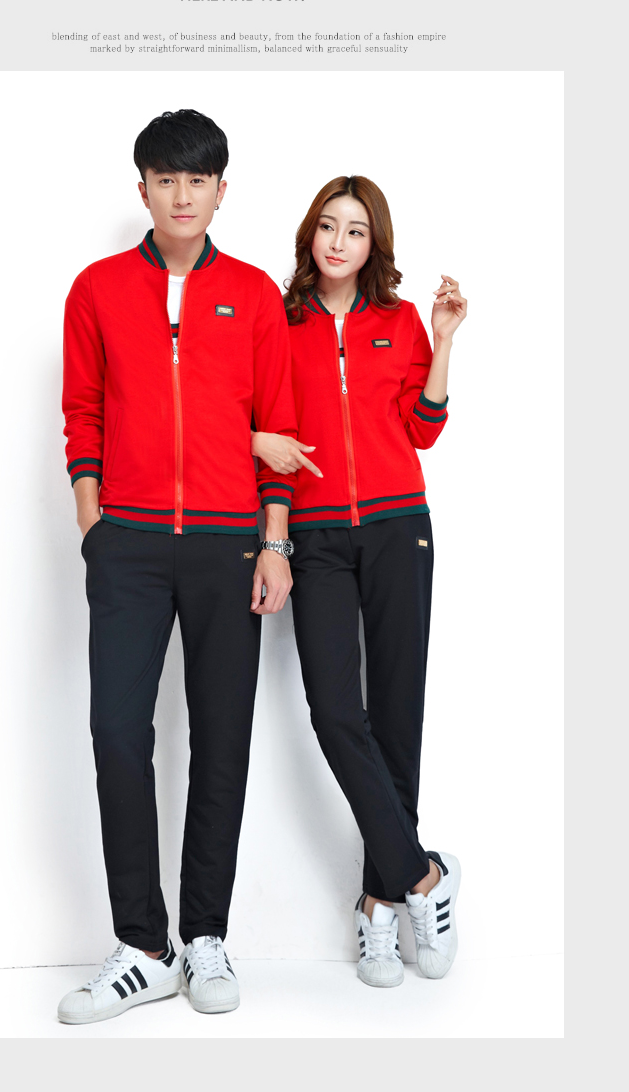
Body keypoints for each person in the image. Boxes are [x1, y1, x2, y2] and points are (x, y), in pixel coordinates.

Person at [58, 110, 304, 1024]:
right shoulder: (96, 289)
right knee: (118, 735)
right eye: (166, 179)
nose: (182, 195)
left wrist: (274, 542)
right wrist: (94, 522)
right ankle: (143, 947)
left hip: (227, 541)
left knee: (222, 739)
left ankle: (204, 934)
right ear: (144, 190)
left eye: (198, 179)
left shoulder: (252, 294)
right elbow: (83, 409)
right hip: (126, 544)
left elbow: (277, 423)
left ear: (221, 190)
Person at [252, 175, 467, 988]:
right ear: (310, 235)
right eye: (328, 227)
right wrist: (273, 528)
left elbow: (424, 428)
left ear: (374, 243)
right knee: (337, 711)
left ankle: (379, 904)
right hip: (315, 537)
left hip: (398, 526)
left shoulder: (399, 320)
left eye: (355, 231)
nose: (339, 243)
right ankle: (424, 877)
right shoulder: (281, 323)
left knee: (398, 714)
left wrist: (442, 341)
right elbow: (268, 431)